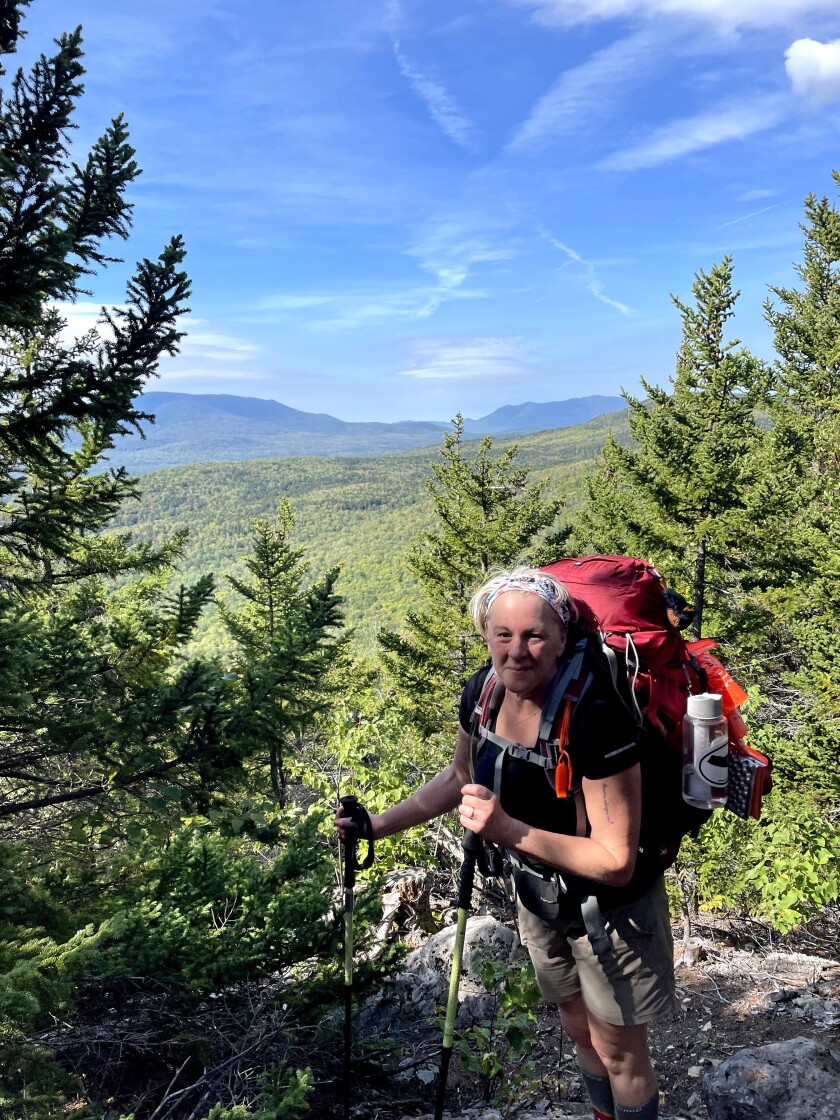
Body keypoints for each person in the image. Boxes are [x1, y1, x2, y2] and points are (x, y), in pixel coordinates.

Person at [336, 566, 675, 1120]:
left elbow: (615, 861)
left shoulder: (595, 715)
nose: (517, 651)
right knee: (575, 1028)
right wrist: (375, 826)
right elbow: (457, 777)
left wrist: (508, 831)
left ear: (563, 636)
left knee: (620, 1054)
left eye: (534, 635)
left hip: (612, 912)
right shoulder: (484, 692)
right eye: (503, 635)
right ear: (486, 635)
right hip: (539, 896)